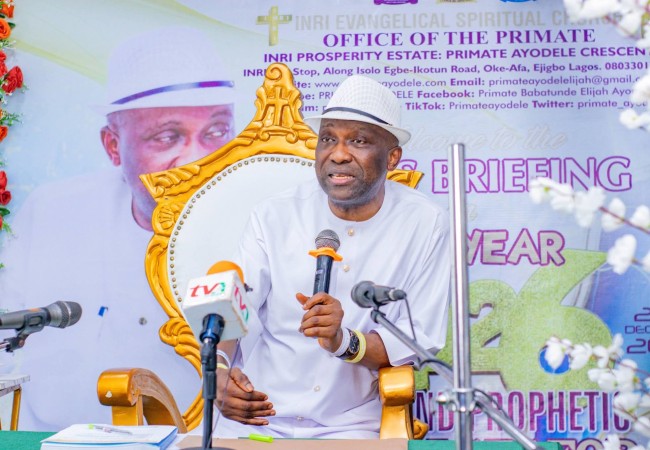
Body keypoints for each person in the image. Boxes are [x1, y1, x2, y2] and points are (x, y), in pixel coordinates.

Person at [0, 27, 236, 430]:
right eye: (168, 136)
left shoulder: (257, 223)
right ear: (113, 146)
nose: (196, 160)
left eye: (216, 132)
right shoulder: (53, 212)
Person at [213, 75, 451, 438]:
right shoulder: (274, 215)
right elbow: (234, 304)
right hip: (256, 415)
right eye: (327, 139)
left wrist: (342, 340)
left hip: (349, 426)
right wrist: (218, 369)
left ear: (392, 157)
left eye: (358, 140)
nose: (338, 154)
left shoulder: (425, 223)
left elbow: (412, 341)